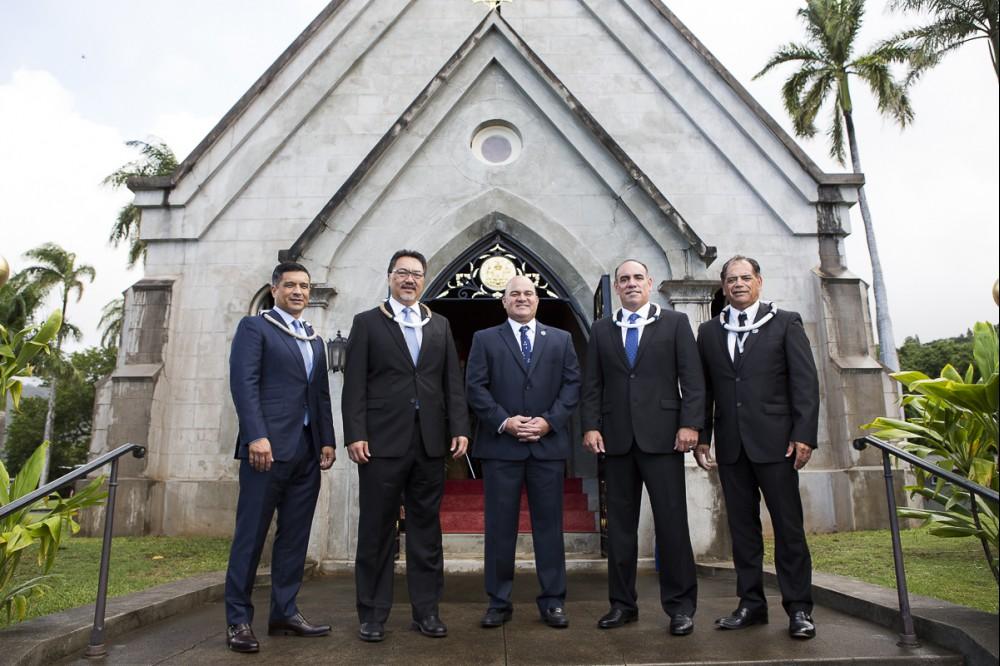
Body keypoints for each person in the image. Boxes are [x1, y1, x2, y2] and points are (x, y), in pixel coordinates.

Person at [342, 249, 470, 643]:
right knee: (377, 529)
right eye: (402, 273)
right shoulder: (367, 323)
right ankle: (372, 614)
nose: (409, 279)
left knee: (426, 530)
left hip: (429, 442)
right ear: (390, 277)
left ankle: (426, 611)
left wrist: (459, 427)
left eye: (416, 274)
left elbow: (451, 382)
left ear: (424, 280)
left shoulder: (439, 324)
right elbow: (354, 384)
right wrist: (355, 433)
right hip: (381, 442)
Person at [694, 255, 820, 640]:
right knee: (742, 530)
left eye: (745, 278)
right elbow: (706, 389)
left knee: (788, 528)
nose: (738, 284)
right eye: (731, 279)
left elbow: (805, 383)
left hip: (777, 444)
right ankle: (751, 603)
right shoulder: (710, 332)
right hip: (732, 447)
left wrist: (804, 435)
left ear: (759, 282)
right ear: (723, 286)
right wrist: (702, 437)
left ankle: (799, 608)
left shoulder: (785, 323)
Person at [580, 259, 704, 636]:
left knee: (671, 525)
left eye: (637, 278)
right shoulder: (601, 329)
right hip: (616, 441)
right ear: (616, 288)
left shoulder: (675, 324)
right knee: (620, 529)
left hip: (664, 439)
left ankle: (680, 608)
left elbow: (693, 379)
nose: (631, 283)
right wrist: (591, 426)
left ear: (649, 283)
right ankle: (622, 604)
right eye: (624, 279)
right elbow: (592, 384)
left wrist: (690, 424)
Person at [224, 261, 337, 654]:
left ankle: (285, 613)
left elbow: (320, 394)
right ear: (274, 289)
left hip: (306, 451)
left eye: (304, 286)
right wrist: (256, 435)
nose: (298, 292)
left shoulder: (314, 340)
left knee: (295, 536)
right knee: (251, 536)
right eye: (290, 285)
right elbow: (244, 384)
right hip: (266, 450)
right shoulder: (255, 328)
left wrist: (326, 439)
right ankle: (238, 620)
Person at [465, 275, 581, 629]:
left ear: (537, 300)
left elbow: (572, 385)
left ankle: (553, 601)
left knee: (549, 528)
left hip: (547, 448)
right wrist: (504, 421)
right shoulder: (484, 339)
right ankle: (498, 602)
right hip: (502, 448)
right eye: (514, 293)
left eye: (528, 293)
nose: (522, 298)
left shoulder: (561, 339)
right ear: (503, 301)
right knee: (500, 529)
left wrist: (549, 422)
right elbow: (475, 387)